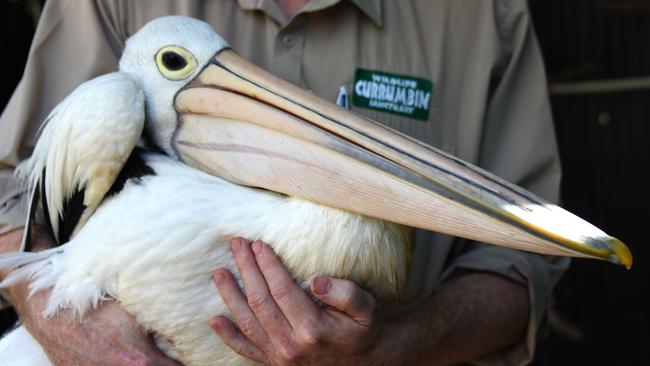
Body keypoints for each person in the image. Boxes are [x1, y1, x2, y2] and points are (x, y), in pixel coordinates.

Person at [0, 0, 569, 365]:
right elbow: (8, 196)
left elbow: (523, 265)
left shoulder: (481, 15)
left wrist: (395, 346)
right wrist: (62, 321)